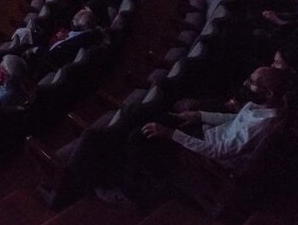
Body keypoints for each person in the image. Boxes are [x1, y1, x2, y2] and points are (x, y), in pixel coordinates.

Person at [96, 67, 291, 207]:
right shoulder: (262, 105)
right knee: (137, 111)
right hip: (205, 134)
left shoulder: (261, 126)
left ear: (269, 93)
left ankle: (132, 192)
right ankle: (118, 162)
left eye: (252, 83)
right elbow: (234, 118)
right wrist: (199, 115)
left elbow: (217, 151)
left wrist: (171, 134)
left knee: (138, 137)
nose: (246, 84)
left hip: (204, 154)